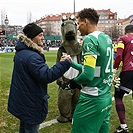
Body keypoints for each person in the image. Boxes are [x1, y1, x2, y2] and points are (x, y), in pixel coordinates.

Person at [7, 23, 71, 133]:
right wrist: (64, 64)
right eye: (40, 35)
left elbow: (37, 73)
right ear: (32, 37)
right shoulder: (32, 56)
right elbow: (46, 76)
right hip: (30, 103)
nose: (43, 37)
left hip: (23, 101)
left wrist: (59, 64)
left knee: (24, 128)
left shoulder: (22, 52)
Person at [67, 8, 113, 133]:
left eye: (79, 24)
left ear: (86, 21)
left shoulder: (89, 39)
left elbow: (88, 75)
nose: (78, 28)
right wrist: (73, 64)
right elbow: (95, 69)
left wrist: (74, 81)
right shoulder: (106, 38)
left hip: (91, 99)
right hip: (106, 97)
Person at [113, 24, 133, 133]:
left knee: (118, 96)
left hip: (128, 71)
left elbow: (119, 55)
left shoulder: (123, 39)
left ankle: (124, 126)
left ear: (125, 31)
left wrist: (115, 69)